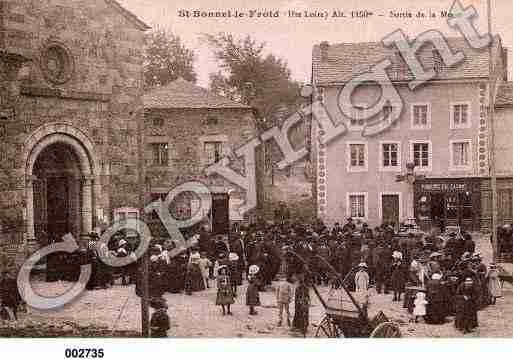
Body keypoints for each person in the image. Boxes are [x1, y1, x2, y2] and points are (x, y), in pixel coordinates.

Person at [292, 272, 310, 337]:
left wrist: (298, 302)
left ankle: (300, 326)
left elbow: (297, 297)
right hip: (303, 303)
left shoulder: (299, 288)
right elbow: (308, 297)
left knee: (300, 314)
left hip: (301, 303)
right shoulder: (305, 288)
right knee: (303, 314)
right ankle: (302, 326)